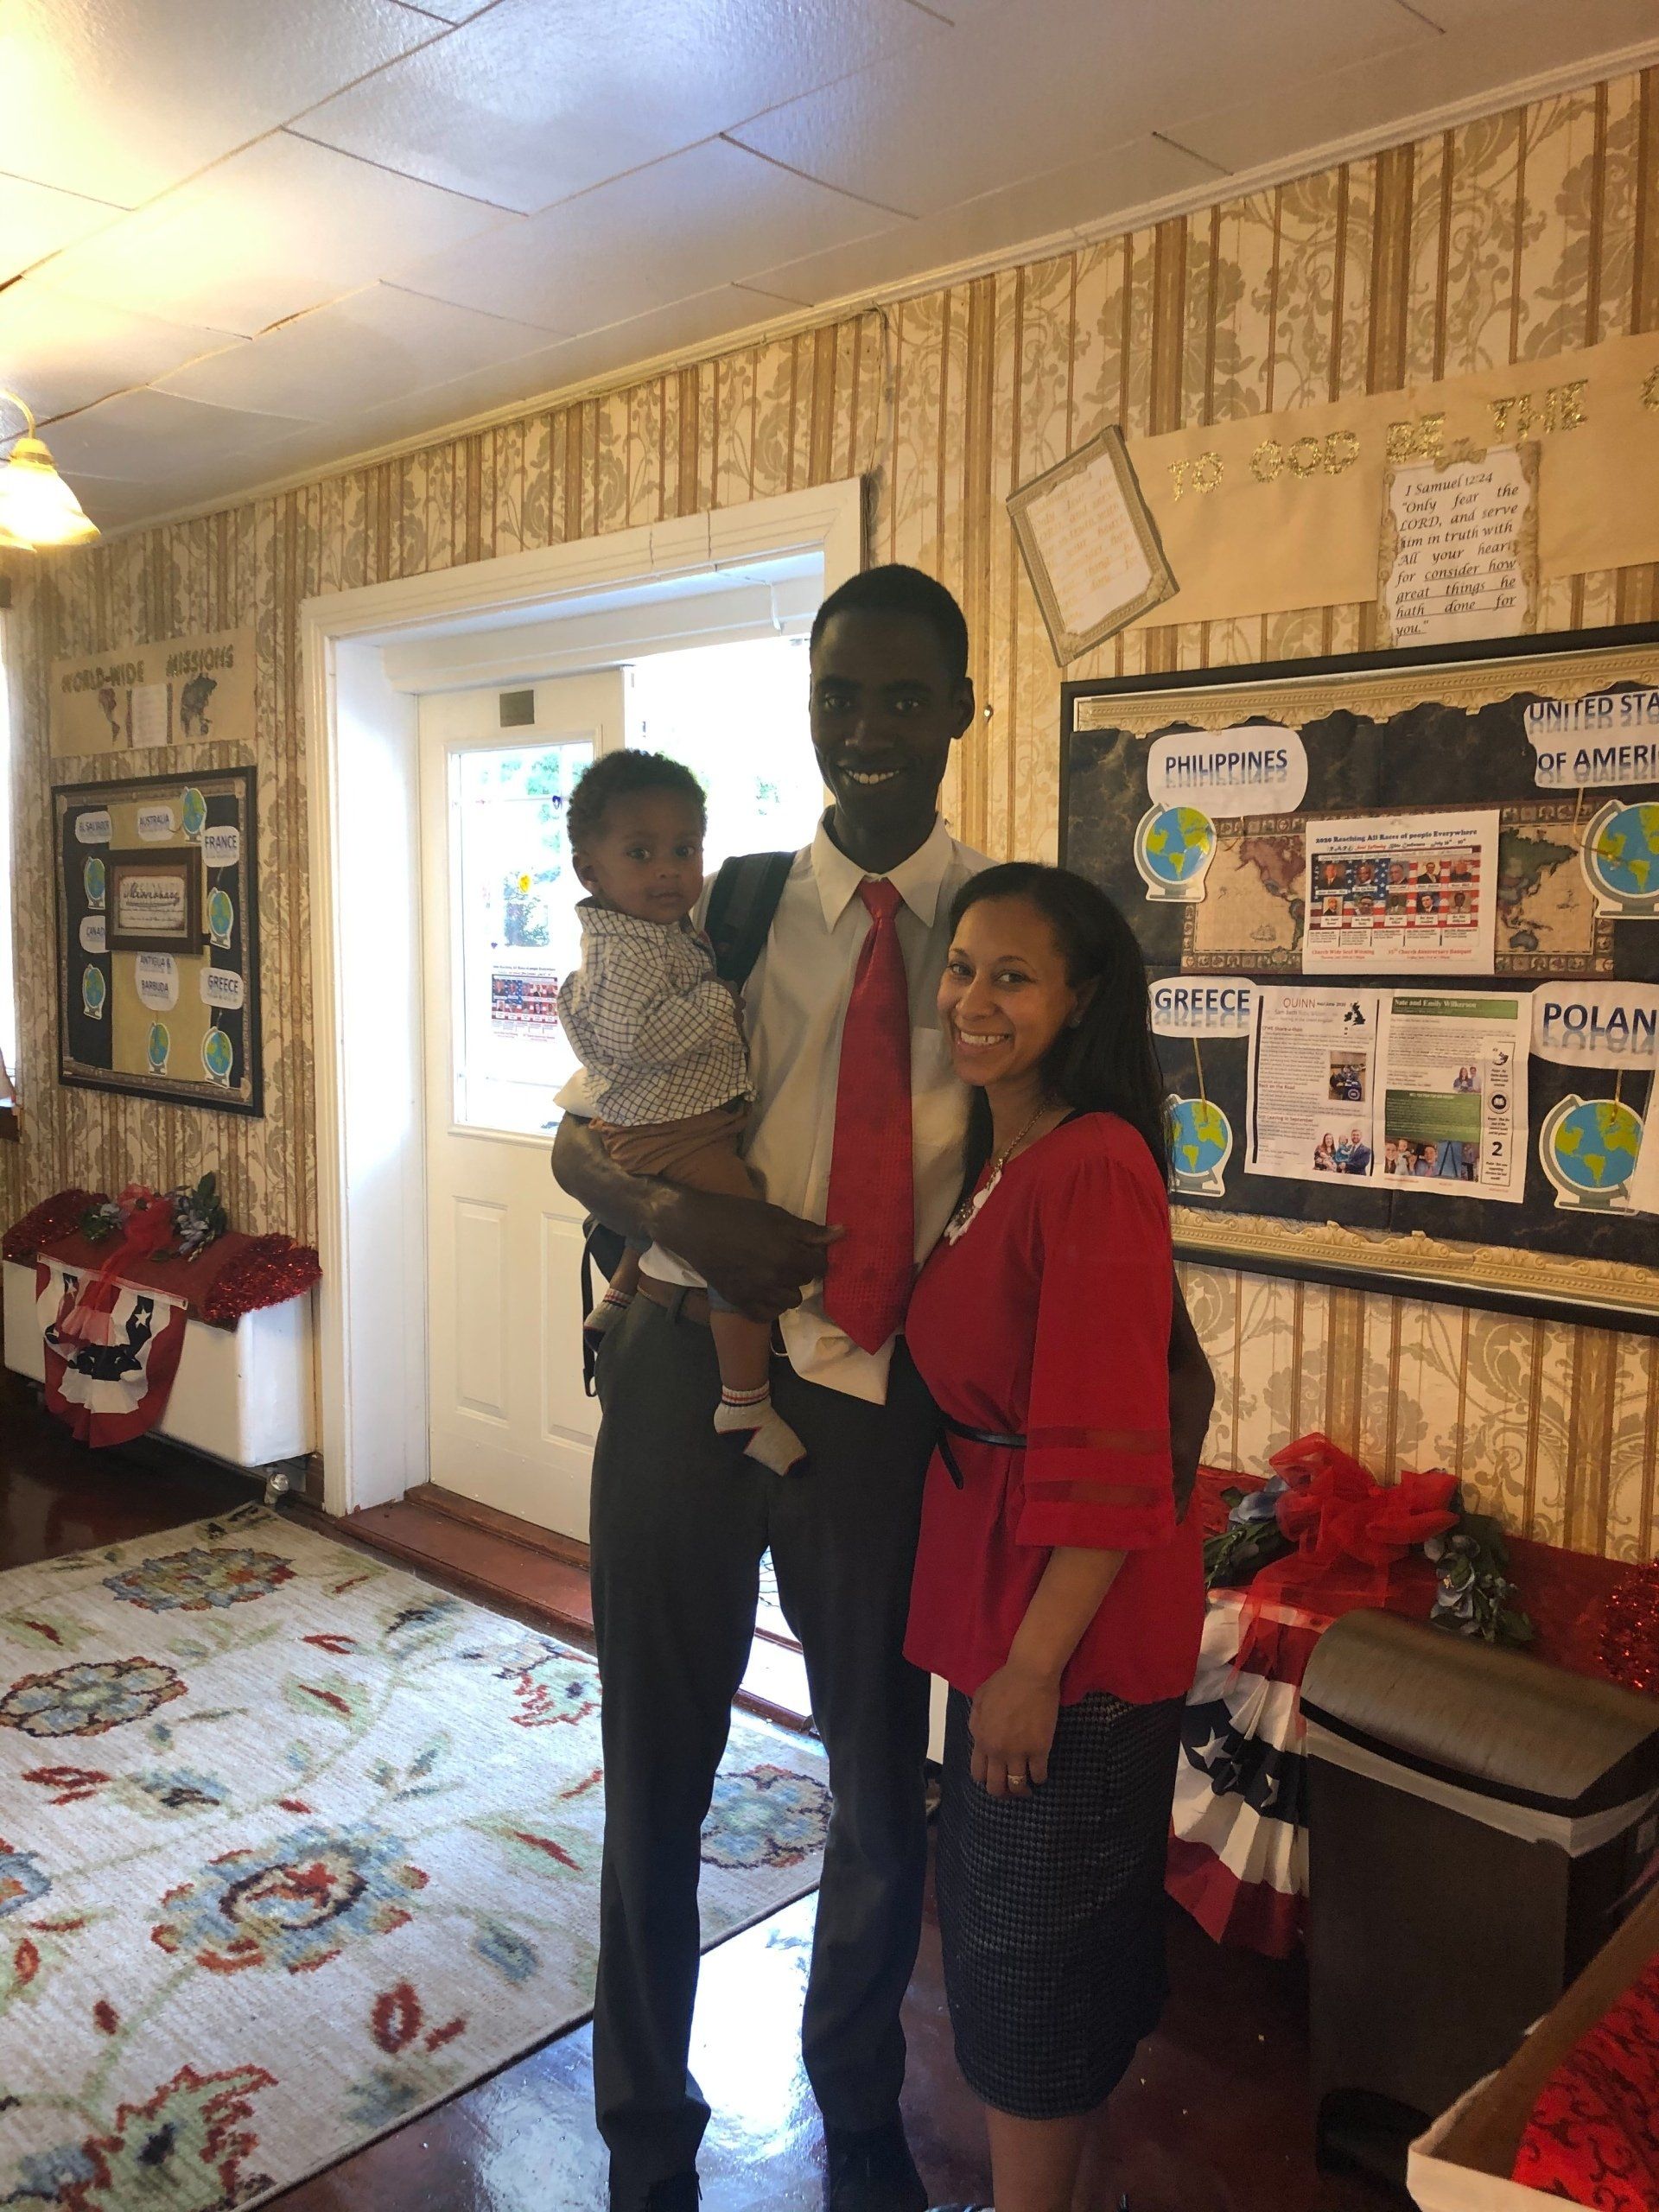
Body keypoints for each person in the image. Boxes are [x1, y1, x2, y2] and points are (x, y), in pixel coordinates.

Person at [550, 563, 1216, 2212]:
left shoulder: (1006, 933)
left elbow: (1072, 1163)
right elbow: (584, 1133)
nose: (868, 727)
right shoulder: (724, 905)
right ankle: (645, 2134)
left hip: (877, 1406)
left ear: (961, 711)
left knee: (873, 1788)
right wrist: (675, 1215)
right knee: (656, 1770)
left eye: (905, 695)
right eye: (839, 695)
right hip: (680, 1371)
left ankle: (856, 2111)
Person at [904, 864, 1205, 2212]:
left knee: (1033, 1956)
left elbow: (1112, 1441)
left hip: (1070, 1627)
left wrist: (1033, 1666)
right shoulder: (1002, 1156)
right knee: (1006, 1925)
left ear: (1081, 1000)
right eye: (963, 967)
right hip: (1007, 1594)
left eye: (1013, 977)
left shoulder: (1093, 1165)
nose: (973, 999)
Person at [557, 748, 805, 1475]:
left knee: (693, 1215)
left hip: (679, 1119)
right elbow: (634, 1038)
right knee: (739, 1243)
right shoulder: (626, 950)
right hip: (669, 1128)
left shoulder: (652, 931)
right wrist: (718, 1002)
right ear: (590, 871)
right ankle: (744, 1402)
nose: (668, 870)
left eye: (684, 849)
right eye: (641, 853)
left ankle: (617, 1293)